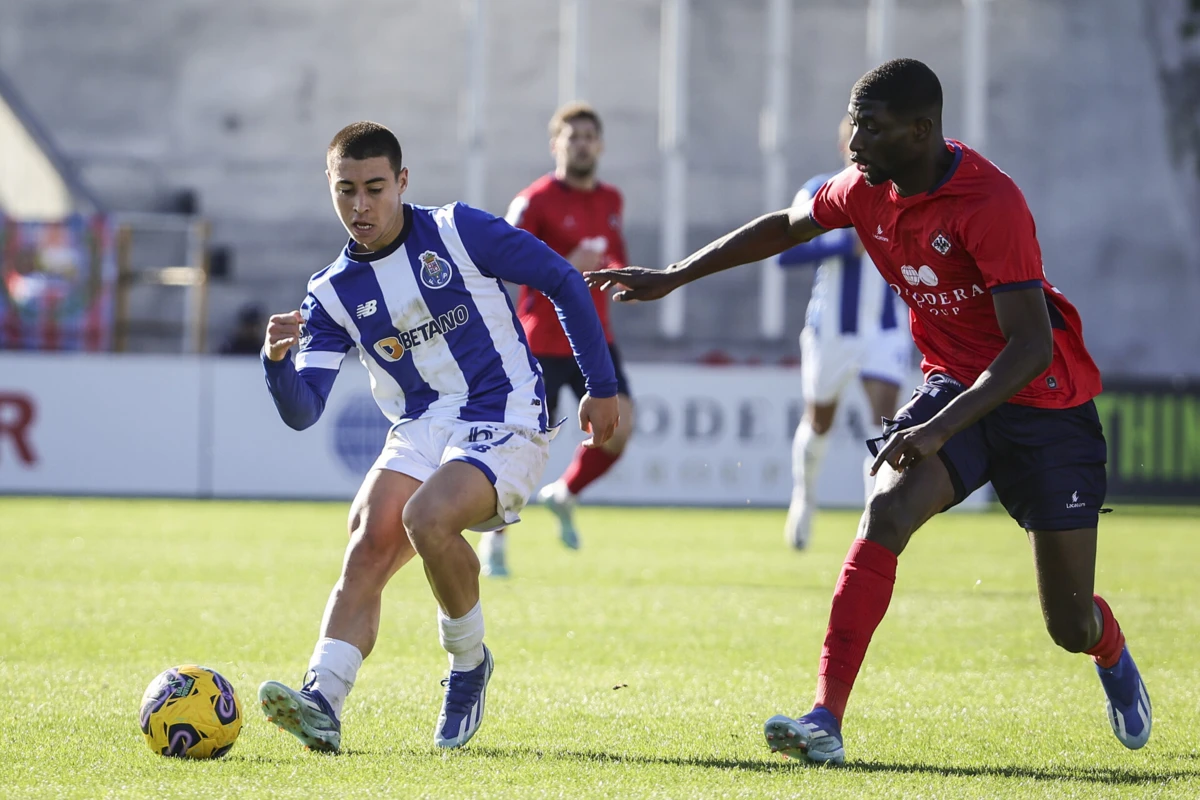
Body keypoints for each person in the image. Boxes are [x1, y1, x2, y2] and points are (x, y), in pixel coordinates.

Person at [587, 58, 1149, 765]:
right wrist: (675, 275)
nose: (854, 144)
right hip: (954, 388)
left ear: (922, 131)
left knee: (1067, 622)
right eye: (855, 125)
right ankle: (826, 718)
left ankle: (1109, 648)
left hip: (1045, 406)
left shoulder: (990, 202)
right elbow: (784, 227)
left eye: (871, 129)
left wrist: (938, 427)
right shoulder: (864, 188)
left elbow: (1031, 348)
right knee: (884, 511)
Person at [257, 121, 619, 753]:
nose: (361, 206)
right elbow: (302, 411)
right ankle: (323, 697)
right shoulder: (331, 293)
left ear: (402, 181)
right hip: (421, 425)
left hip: (505, 414)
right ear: (330, 189)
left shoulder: (459, 230)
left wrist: (602, 385)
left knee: (427, 517)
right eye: (346, 191)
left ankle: (467, 663)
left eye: (375, 187)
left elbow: (562, 279)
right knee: (368, 538)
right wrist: (276, 362)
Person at [477, 102, 635, 577]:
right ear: (556, 145)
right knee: (519, 446)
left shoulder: (611, 200)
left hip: (596, 339)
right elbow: (503, 260)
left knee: (620, 430)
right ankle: (495, 545)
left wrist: (621, 279)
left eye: (590, 135)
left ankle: (565, 494)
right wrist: (567, 262)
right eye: (573, 136)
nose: (582, 143)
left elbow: (615, 260)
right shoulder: (535, 201)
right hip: (541, 342)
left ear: (601, 144)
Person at [779, 117, 912, 550]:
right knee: (819, 421)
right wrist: (842, 243)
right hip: (831, 329)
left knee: (885, 423)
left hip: (885, 328)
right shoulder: (820, 188)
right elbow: (787, 251)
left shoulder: (905, 192)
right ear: (844, 147)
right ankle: (804, 498)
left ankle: (872, 524)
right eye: (856, 141)